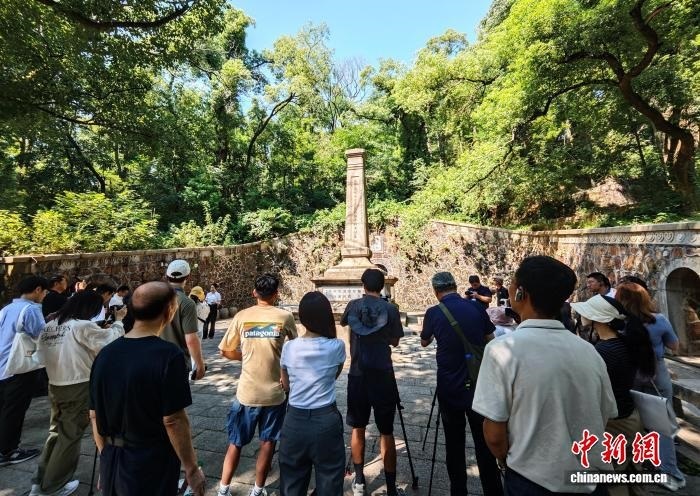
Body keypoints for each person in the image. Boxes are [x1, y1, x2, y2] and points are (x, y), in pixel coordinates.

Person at [473, 256, 617, 495]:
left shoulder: (502, 350)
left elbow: (494, 433)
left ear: (521, 293)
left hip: (532, 480)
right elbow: (605, 417)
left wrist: (507, 460)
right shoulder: (589, 352)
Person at [89, 282, 205, 496]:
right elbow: (173, 420)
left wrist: (106, 458)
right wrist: (191, 468)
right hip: (150, 460)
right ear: (169, 311)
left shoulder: (105, 354)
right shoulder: (168, 355)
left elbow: (94, 415)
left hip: (113, 456)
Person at [31, 291, 126, 496]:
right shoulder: (81, 326)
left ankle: (41, 480)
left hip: (56, 384)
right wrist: (119, 321)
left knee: (56, 433)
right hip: (79, 384)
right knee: (70, 436)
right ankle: (54, 485)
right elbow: (110, 341)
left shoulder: (50, 325)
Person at [420, 272, 503, 496]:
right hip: (478, 384)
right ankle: (493, 490)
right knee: (484, 441)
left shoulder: (434, 312)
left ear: (436, 291)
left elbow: (424, 341)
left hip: (449, 385)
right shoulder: (476, 308)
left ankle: (458, 490)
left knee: (453, 442)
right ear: (456, 286)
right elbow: (490, 340)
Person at [217, 273, 297, 496]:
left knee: (235, 442)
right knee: (268, 443)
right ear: (276, 294)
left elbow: (225, 350)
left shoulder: (242, 316)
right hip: (275, 394)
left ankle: (223, 489)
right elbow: (295, 348)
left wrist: (245, 357)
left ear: (254, 293)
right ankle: (258, 490)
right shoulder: (285, 317)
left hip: (247, 393)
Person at [571, 294, 655, 496]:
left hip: (613, 423)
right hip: (630, 417)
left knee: (615, 482)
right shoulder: (625, 343)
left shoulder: (601, 351)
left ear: (598, 319)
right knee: (635, 476)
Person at [615, 282, 686, 491]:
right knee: (663, 423)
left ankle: (645, 462)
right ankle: (670, 472)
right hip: (656, 373)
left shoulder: (619, 323)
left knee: (637, 420)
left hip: (631, 374)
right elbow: (674, 346)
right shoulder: (659, 320)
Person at [342, 268, 405, 496]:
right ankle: (391, 488)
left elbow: (344, 324)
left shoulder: (353, 306)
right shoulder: (390, 309)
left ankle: (359, 481)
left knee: (358, 427)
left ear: (363, 285)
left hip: (357, 374)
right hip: (383, 374)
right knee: (386, 431)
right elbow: (395, 341)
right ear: (382, 286)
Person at [279, 291, 346, 496]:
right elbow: (334, 375)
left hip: (294, 421)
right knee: (330, 481)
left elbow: (286, 385)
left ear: (301, 317)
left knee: (291, 483)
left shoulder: (289, 347)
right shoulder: (337, 346)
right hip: (326, 420)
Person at [0, 276, 49, 467]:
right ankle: (8, 451)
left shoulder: (6, 309)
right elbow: (40, 335)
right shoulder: (31, 309)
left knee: (5, 408)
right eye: (44, 292)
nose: (44, 296)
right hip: (19, 367)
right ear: (38, 289)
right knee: (15, 411)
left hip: (3, 365)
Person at [162, 260, 205, 380]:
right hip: (176, 362)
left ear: (167, 276)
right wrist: (200, 365)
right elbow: (191, 339)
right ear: (188, 277)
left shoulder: (154, 298)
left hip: (153, 361)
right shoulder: (186, 303)